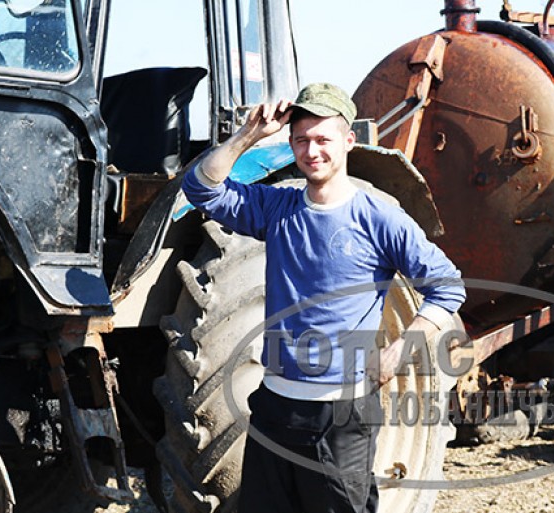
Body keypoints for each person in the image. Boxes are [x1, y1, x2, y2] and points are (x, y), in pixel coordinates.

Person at [182, 83, 465, 513]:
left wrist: (398, 352)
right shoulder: (278, 209)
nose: (312, 151)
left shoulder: (379, 218)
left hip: (341, 415)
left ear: (349, 141)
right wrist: (249, 136)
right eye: (301, 140)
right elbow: (202, 189)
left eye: (323, 139)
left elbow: (446, 287)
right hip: (274, 408)